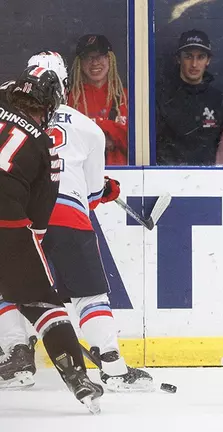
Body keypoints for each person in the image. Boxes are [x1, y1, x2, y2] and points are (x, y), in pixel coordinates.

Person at [30, 51, 152, 391]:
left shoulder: (9, 121)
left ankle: (15, 356)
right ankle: (112, 368)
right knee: (90, 296)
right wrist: (106, 191)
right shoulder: (88, 127)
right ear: (65, 85)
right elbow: (92, 195)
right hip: (69, 217)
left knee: (16, 289)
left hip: (23, 219)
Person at [0, 65, 103, 412]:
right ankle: (78, 378)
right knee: (42, 303)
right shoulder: (48, 150)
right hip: (9, 221)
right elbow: (38, 224)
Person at [156, 29, 223, 165]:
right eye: (188, 56)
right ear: (178, 59)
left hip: (208, 179)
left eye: (200, 57)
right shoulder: (161, 96)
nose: (194, 64)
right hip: (168, 178)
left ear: (208, 60)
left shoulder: (219, 101)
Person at [69, 34, 129, 166]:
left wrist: (99, 126)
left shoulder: (127, 97)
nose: (95, 62)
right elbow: (67, 144)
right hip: (82, 177)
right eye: (88, 57)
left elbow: (136, 144)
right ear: (80, 63)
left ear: (110, 59)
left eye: (100, 56)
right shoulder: (70, 99)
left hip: (124, 177)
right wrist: (110, 133)